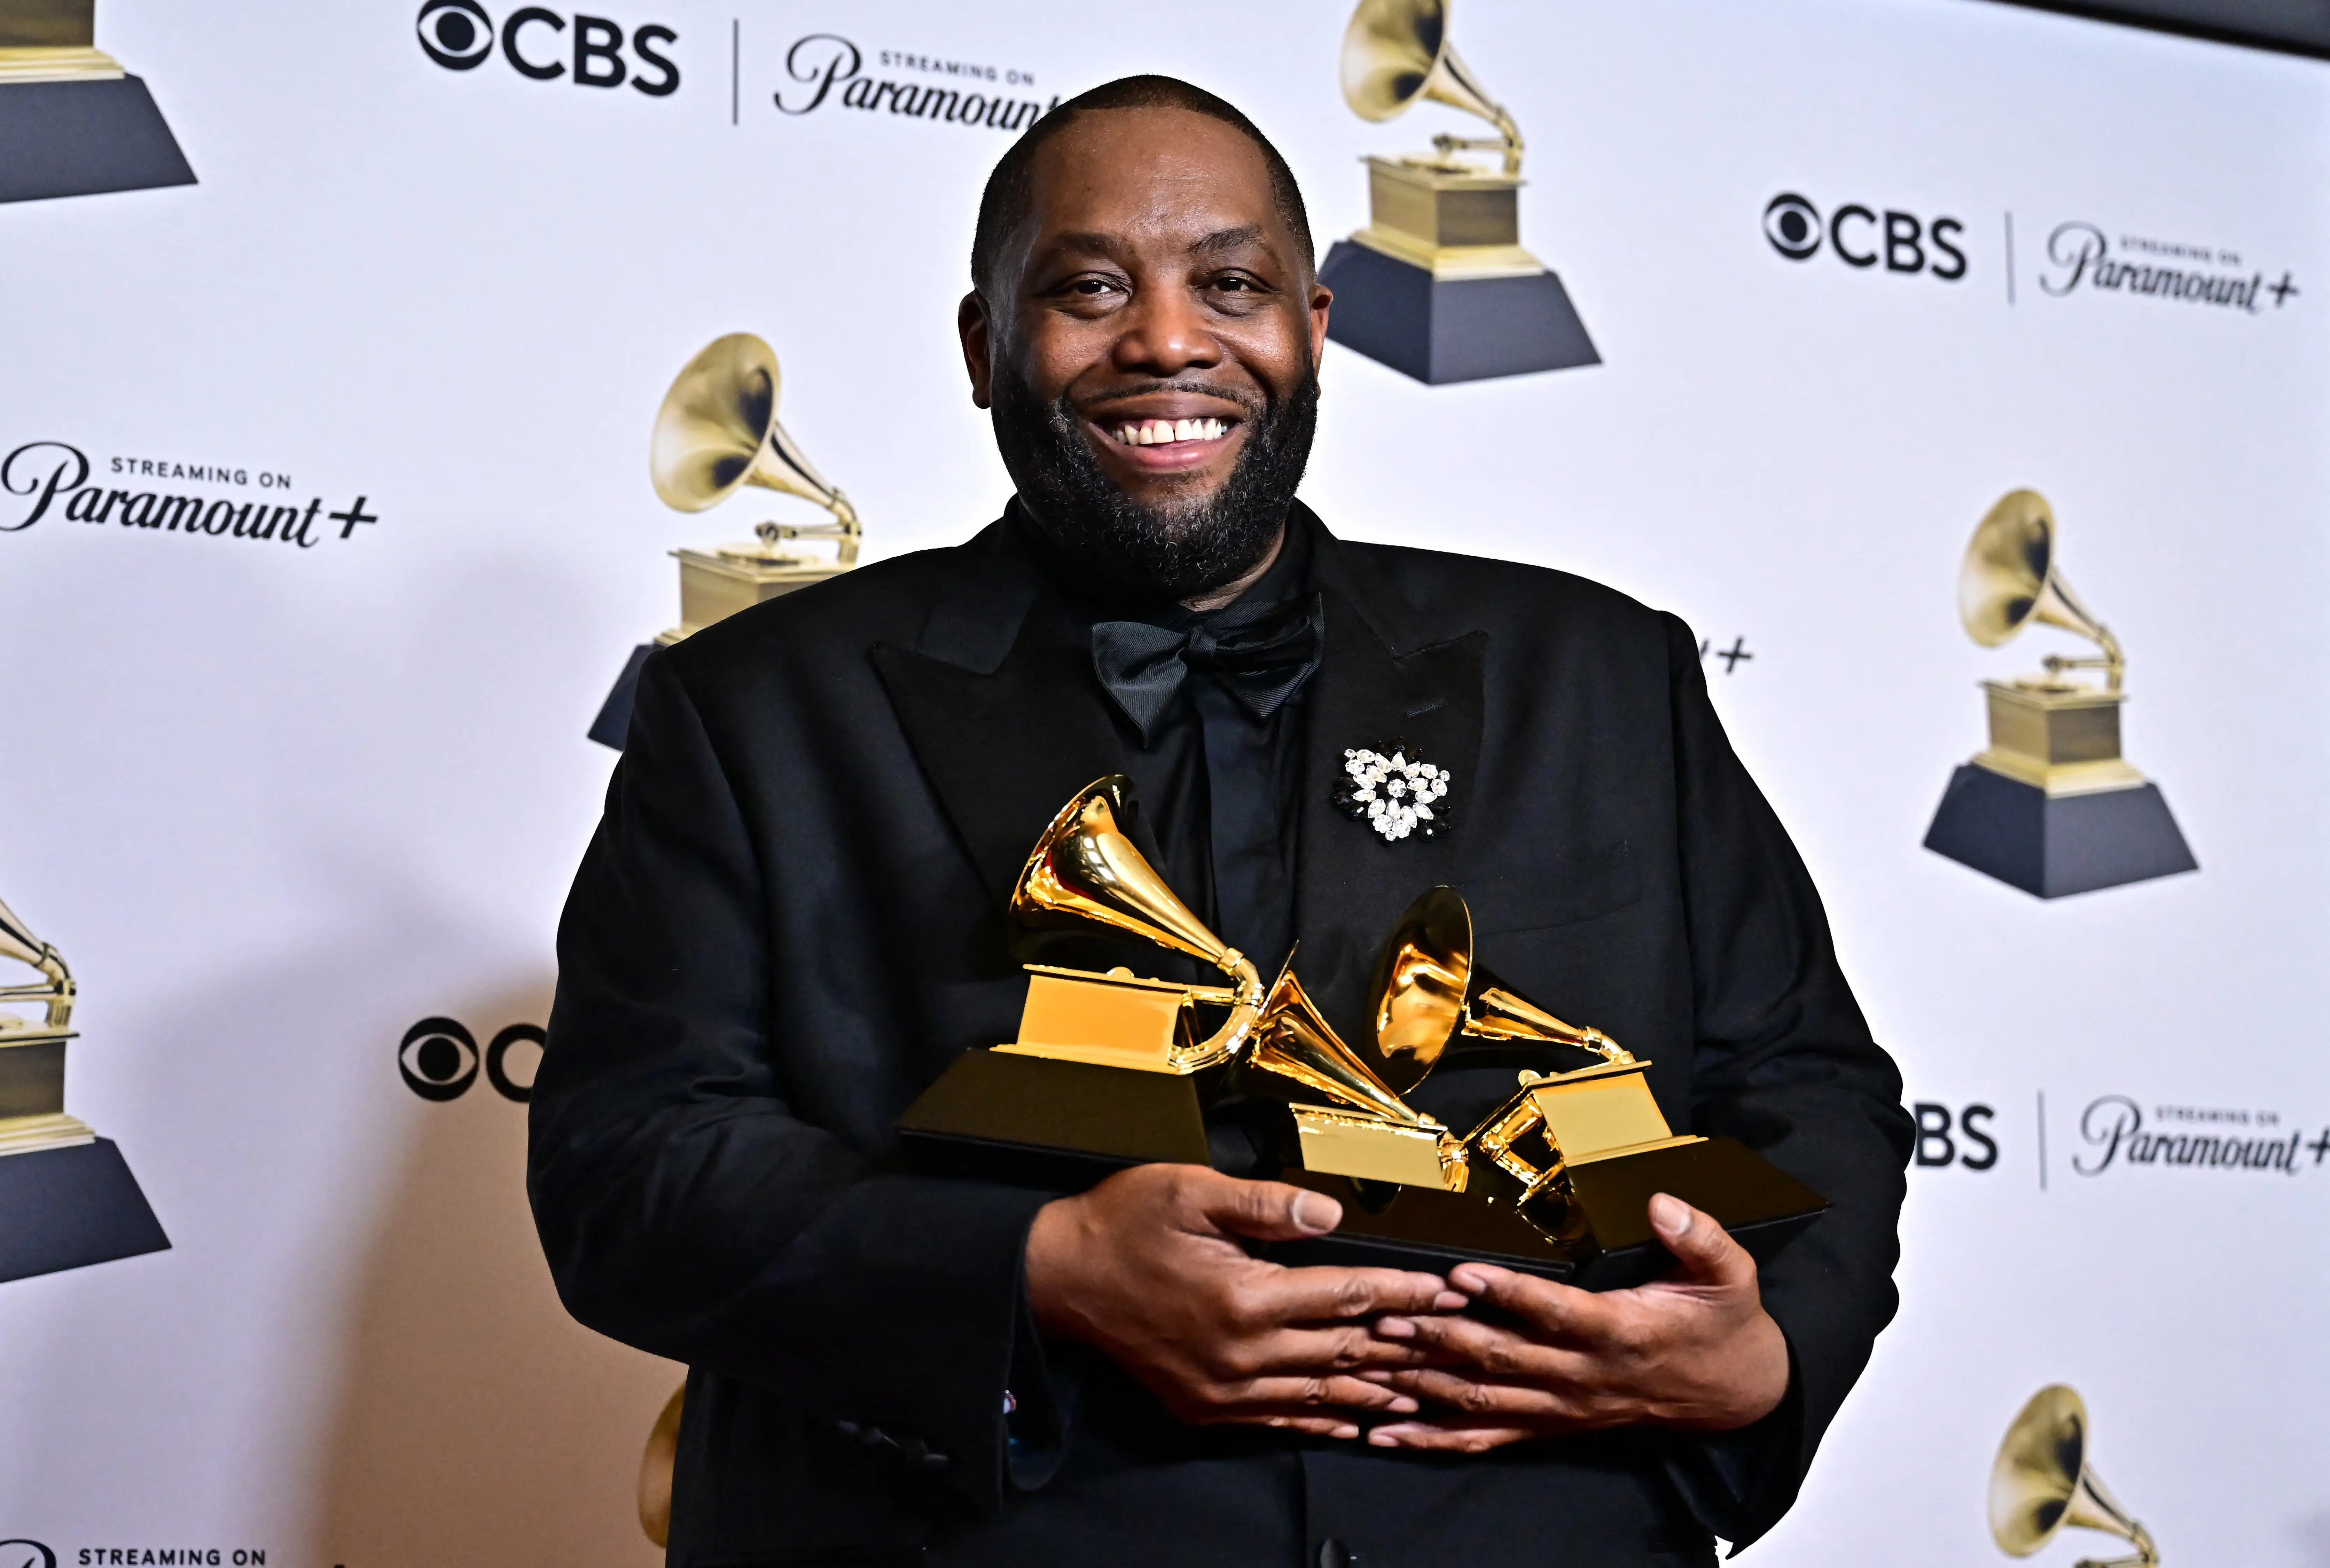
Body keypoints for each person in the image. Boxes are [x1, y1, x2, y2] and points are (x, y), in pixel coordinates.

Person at [532, 75, 1912, 1568]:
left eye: (1231, 284)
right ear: (987, 349)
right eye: (1089, 289)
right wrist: (1039, 1267)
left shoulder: (1601, 673)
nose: (1170, 340)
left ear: (1313, 326)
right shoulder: (759, 706)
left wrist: (1764, 1353)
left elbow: (1810, 1083)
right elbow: (628, 1163)